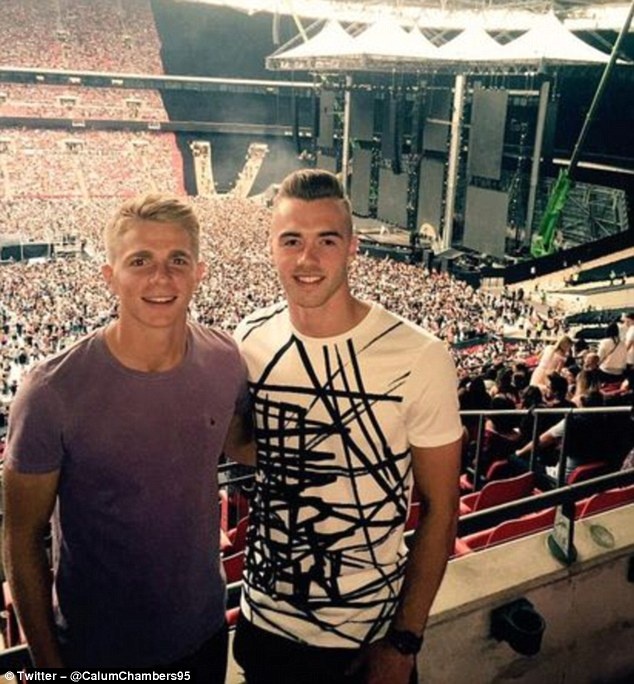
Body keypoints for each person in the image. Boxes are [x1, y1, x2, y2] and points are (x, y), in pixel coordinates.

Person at [2, 193, 253, 675]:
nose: (161, 277)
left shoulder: (225, 360)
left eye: (177, 260)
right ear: (109, 275)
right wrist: (49, 667)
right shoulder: (51, 391)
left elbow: (240, 442)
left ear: (199, 272)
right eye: (140, 261)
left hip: (203, 635)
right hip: (96, 650)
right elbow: (22, 537)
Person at [232, 169, 463, 684]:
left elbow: (442, 509)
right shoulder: (249, 338)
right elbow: (251, 445)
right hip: (262, 624)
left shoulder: (420, 356)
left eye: (326, 241)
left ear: (353, 247)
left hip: (366, 638)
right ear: (271, 247)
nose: (307, 259)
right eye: (291, 240)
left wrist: (404, 642)